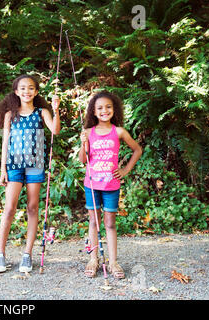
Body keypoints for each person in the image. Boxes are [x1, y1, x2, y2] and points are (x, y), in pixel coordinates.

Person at [0, 74, 60, 273]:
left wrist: (55, 110)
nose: (27, 91)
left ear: (36, 91)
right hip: (14, 165)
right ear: (16, 92)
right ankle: (0, 255)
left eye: (31, 88)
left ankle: (27, 254)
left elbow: (55, 130)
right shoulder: (10, 115)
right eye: (22, 88)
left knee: (32, 207)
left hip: (35, 165)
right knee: (10, 208)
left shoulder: (42, 112)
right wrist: (2, 168)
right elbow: (5, 143)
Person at [79, 91, 142, 279]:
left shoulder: (119, 131)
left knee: (110, 223)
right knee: (93, 221)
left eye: (108, 107)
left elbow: (137, 149)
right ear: (94, 112)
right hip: (91, 184)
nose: (104, 110)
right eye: (100, 108)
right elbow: (83, 160)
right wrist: (84, 144)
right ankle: (93, 259)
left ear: (114, 109)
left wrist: (125, 170)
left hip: (111, 185)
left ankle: (113, 261)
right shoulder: (88, 133)